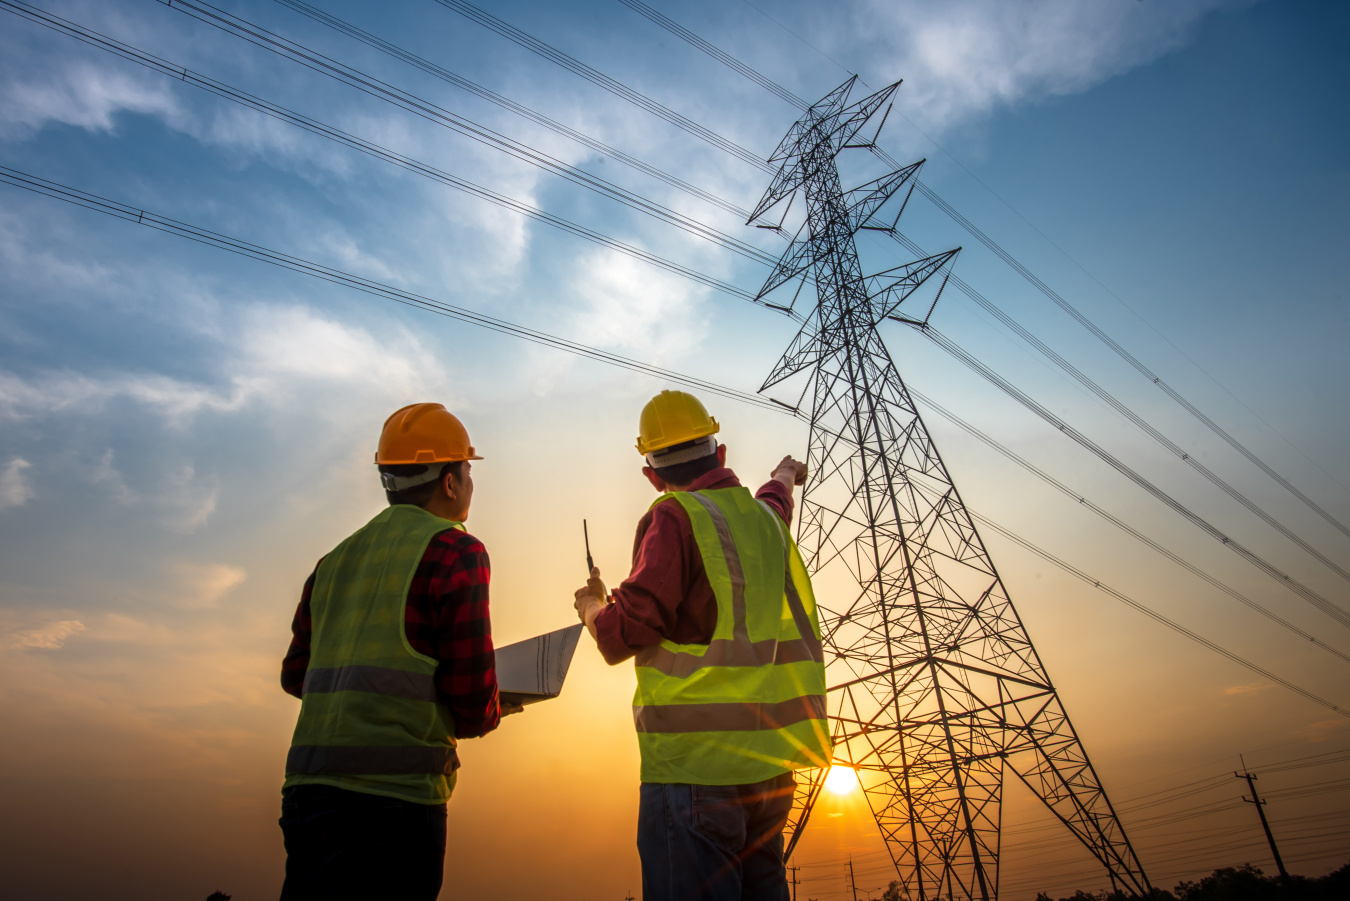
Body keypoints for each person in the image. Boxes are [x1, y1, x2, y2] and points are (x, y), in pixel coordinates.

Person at [572, 389, 832, 901]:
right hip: (768, 770)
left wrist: (590, 605)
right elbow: (775, 501)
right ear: (722, 453)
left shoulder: (674, 517)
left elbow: (621, 633)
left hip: (695, 771)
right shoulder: (766, 522)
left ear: (652, 476)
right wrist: (783, 475)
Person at [278, 402, 515, 901]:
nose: (471, 481)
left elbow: (298, 677)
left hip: (308, 794)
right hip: (393, 805)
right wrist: (499, 704)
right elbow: (472, 705)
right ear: (450, 482)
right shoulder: (457, 551)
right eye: (467, 469)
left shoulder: (334, 560)